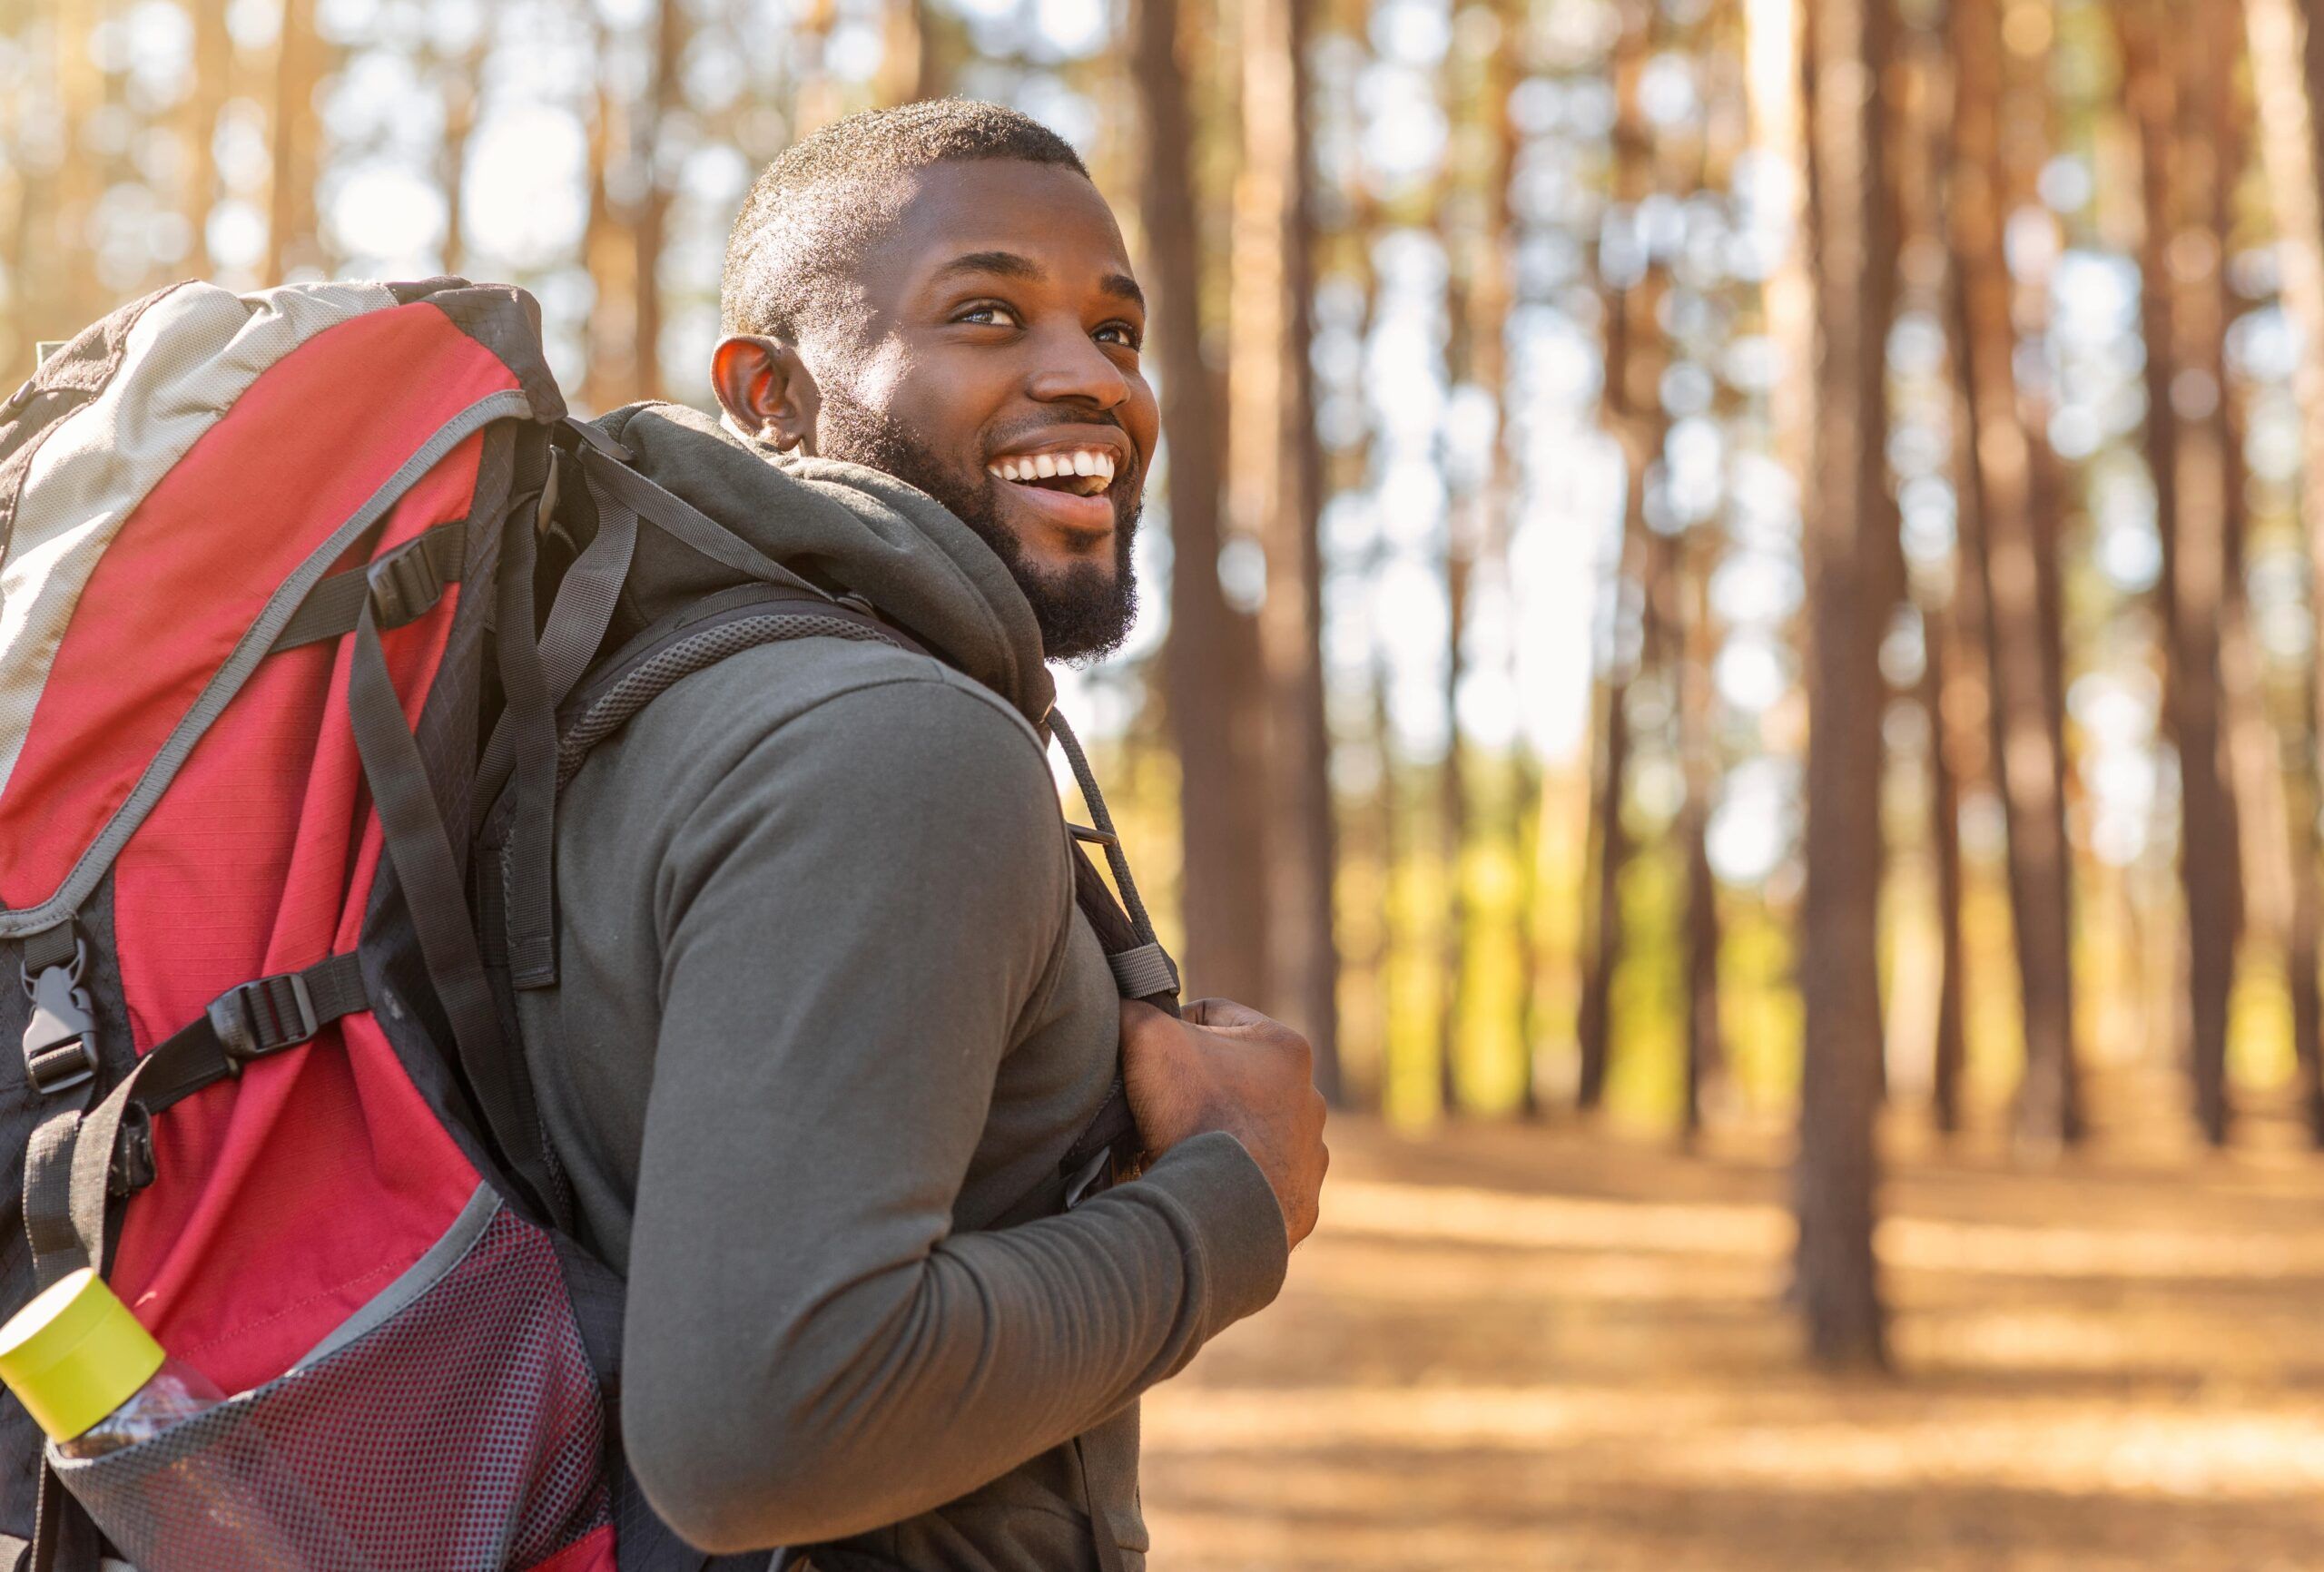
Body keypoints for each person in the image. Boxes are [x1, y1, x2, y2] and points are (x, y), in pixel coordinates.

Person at [518, 99, 1331, 1571]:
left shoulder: (667, 702)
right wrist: (1236, 1195)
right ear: (771, 394)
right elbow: (764, 1430)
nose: (1091, 380)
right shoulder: (891, 746)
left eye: (1119, 333)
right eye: (986, 313)